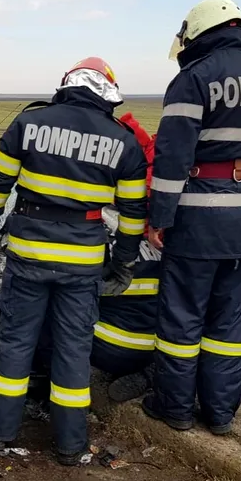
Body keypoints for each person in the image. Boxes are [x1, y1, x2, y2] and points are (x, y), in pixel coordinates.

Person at [0, 57, 148, 466]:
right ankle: (70, 445)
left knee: (16, 343)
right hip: (82, 264)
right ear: (108, 93)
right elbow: (133, 214)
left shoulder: (29, 123)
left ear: (67, 84)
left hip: (28, 256)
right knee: (73, 350)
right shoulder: (123, 141)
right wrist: (123, 264)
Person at [144, 0, 241, 435]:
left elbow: (173, 155)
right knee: (231, 323)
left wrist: (160, 217)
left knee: (182, 317)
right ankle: (220, 414)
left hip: (198, 219)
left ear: (197, 32)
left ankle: (175, 409)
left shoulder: (193, 79)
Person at [91, 112, 161, 403]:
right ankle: (153, 373)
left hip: (104, 346)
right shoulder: (164, 235)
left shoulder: (99, 232)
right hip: (161, 347)